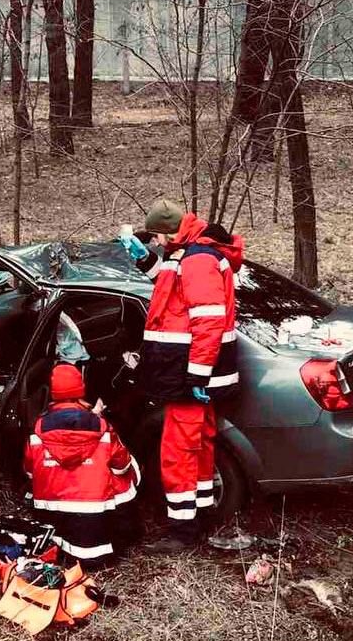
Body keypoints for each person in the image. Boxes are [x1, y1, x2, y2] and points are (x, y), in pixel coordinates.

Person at [120, 200, 244, 553]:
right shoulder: (191, 253)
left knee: (178, 453)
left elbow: (208, 323)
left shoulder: (198, 260)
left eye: (157, 238)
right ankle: (203, 515)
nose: (156, 244)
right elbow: (169, 290)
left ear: (169, 232)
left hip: (189, 376)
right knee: (199, 446)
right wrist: (143, 260)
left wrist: (196, 376)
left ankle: (182, 532)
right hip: (193, 375)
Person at [23, 363, 141, 568]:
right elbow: (122, 467)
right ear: (81, 389)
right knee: (127, 470)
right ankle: (126, 527)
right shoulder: (102, 427)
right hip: (96, 522)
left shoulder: (37, 429)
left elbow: (30, 472)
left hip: (53, 516)